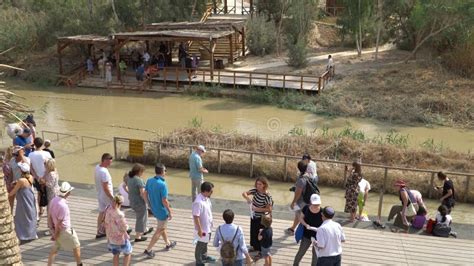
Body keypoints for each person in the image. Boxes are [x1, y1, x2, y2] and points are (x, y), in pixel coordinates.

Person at [143, 163, 176, 258]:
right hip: (162, 211)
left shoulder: (149, 180)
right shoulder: (163, 184)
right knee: (160, 229)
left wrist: (149, 204)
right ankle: (148, 249)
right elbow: (164, 201)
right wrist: (170, 211)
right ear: (162, 172)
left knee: (162, 227)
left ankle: (168, 243)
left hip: (154, 209)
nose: (165, 172)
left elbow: (145, 194)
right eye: (165, 170)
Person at [47, 182, 82, 266]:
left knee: (54, 251)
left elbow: (49, 216)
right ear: (68, 193)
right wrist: (55, 235)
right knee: (76, 246)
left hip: (56, 230)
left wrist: (51, 229)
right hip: (65, 231)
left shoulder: (53, 200)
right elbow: (59, 223)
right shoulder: (63, 206)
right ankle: (79, 264)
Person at [242, 176, 273, 260]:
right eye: (257, 184)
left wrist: (257, 209)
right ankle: (254, 246)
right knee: (253, 231)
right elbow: (244, 193)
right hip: (253, 215)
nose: (258, 186)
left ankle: (260, 251)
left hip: (262, 218)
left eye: (260, 184)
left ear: (264, 185)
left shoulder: (267, 196)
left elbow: (269, 209)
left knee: (260, 234)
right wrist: (248, 198)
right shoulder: (255, 191)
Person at [8, 161, 37, 242]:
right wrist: (16, 183)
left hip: (23, 201)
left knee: (21, 217)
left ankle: (22, 235)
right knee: (30, 216)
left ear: (21, 170)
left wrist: (5, 195)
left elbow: (12, 193)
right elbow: (25, 183)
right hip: (30, 198)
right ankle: (31, 234)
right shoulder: (30, 177)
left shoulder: (21, 180)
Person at [294, 194, 323, 266]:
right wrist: (305, 225)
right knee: (301, 252)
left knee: (316, 256)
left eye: (317, 203)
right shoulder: (306, 208)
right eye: (314, 203)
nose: (316, 205)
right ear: (310, 202)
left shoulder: (322, 211)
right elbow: (300, 218)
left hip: (318, 238)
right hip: (306, 236)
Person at [105, 195, 132, 266]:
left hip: (111, 237)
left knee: (116, 255)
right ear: (120, 203)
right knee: (127, 253)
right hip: (121, 238)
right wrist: (127, 227)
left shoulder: (108, 210)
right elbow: (124, 227)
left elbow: (106, 223)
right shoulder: (120, 214)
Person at [193, 181, 216, 266]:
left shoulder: (207, 198)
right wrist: (199, 229)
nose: (212, 193)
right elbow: (196, 216)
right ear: (205, 191)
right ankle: (198, 261)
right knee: (200, 245)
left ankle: (204, 256)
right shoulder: (198, 202)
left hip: (208, 227)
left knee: (205, 243)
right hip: (202, 228)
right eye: (211, 191)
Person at [29, 137, 52, 217]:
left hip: (37, 178)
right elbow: (50, 166)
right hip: (47, 177)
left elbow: (30, 167)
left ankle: (40, 210)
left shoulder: (31, 154)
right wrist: (44, 176)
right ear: (42, 144)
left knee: (39, 193)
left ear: (34, 144)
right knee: (49, 194)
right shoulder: (47, 154)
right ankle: (50, 211)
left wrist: (37, 177)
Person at [286, 161, 311, 235]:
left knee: (299, 215)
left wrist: (293, 202)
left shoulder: (301, 180)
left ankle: (296, 230)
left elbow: (298, 193)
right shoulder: (308, 176)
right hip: (308, 199)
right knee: (299, 215)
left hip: (301, 201)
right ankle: (292, 228)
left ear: (298, 168)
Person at [95, 153, 114, 239]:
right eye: (110, 161)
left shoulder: (97, 167)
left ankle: (99, 231)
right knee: (112, 212)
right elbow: (106, 188)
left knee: (102, 212)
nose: (111, 163)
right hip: (106, 195)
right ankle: (112, 230)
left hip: (99, 193)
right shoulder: (104, 172)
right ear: (105, 160)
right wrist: (112, 197)